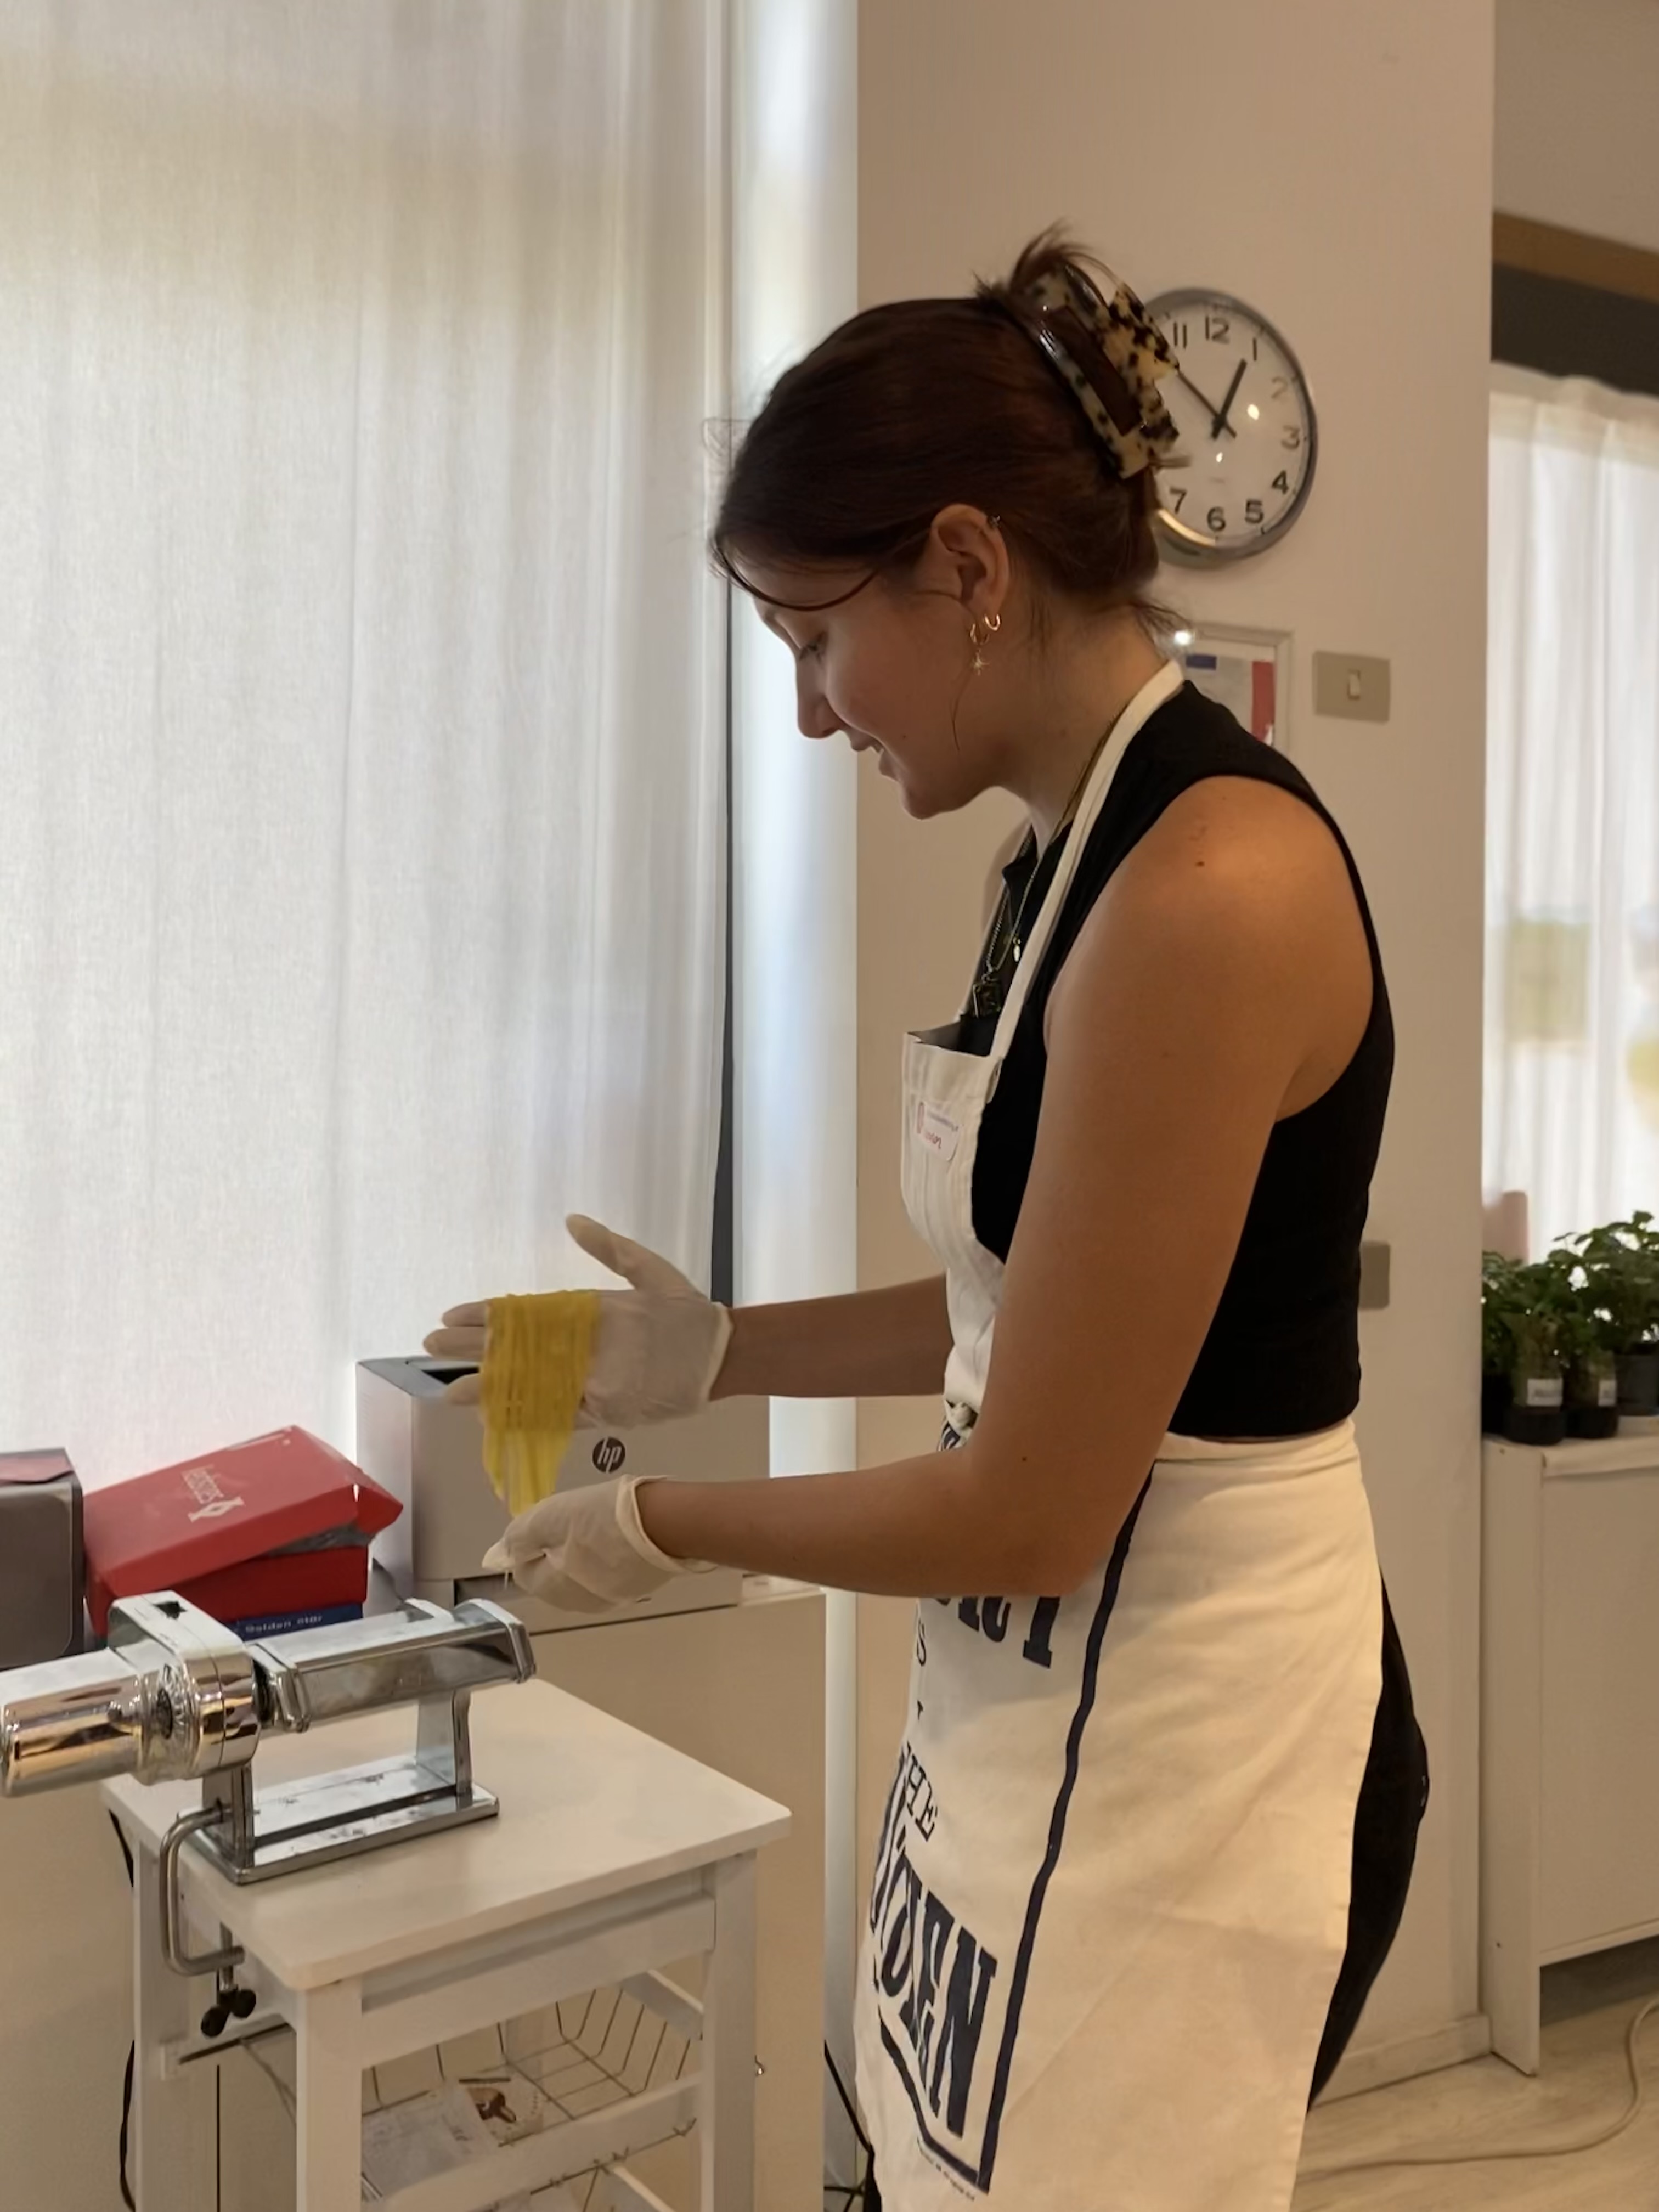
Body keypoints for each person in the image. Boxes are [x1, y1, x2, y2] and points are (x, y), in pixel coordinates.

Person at [426, 229, 1429, 2212]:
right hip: (1039, 1688)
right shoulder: (1056, 858)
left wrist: (665, 1515)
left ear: (968, 569)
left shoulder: (1207, 890)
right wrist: (728, 1349)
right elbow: (1017, 1293)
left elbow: (1037, 1501)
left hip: (1191, 1721)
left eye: (815, 640)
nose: (811, 713)